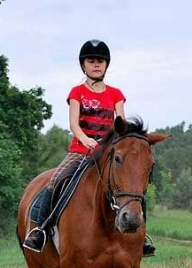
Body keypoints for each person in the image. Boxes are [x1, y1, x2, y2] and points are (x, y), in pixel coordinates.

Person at [23, 39, 155, 256]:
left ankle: (141, 237)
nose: (96, 65)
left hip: (108, 154)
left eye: (100, 61)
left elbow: (121, 125)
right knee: (55, 181)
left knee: (133, 188)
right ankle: (39, 230)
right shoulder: (77, 92)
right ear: (83, 65)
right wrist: (85, 139)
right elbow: (74, 123)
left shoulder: (116, 94)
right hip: (80, 151)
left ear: (106, 65)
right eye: (91, 61)